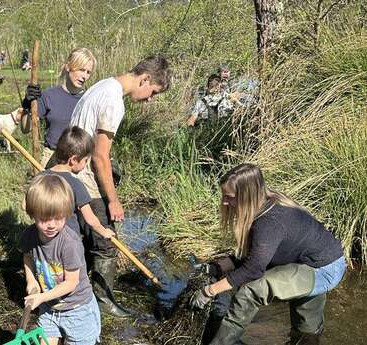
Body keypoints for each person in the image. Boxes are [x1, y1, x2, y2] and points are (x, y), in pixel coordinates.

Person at [190, 163, 346, 345]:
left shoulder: (269, 222)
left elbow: (253, 269)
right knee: (306, 331)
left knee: (250, 291)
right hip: (310, 260)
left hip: (323, 269)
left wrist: (210, 291)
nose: (224, 202)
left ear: (247, 195)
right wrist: (216, 267)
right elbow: (256, 255)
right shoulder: (265, 203)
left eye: (229, 197)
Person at [70, 55, 171, 317]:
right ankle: (103, 301)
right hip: (84, 178)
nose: (151, 99)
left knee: (80, 236)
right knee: (105, 241)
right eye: (153, 92)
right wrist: (113, 200)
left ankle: (78, 290)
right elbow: (100, 156)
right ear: (145, 79)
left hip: (70, 168)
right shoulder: (114, 101)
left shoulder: (103, 85)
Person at [18, 174, 101, 345]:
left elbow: (71, 283)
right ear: (32, 214)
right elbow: (27, 256)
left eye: (58, 218)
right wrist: (31, 280)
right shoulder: (29, 235)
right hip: (49, 309)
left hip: (78, 311)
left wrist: (42, 297)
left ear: (67, 213)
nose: (52, 225)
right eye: (44, 219)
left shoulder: (69, 243)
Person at [23, 48, 97, 168]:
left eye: (88, 72)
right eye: (81, 70)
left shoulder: (90, 99)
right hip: (51, 158)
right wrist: (27, 104)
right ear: (68, 67)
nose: (84, 76)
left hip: (80, 161)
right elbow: (26, 128)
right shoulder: (49, 95)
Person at [39, 125, 115, 240]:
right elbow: (90, 219)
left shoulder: (40, 177)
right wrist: (104, 231)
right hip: (69, 241)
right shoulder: (75, 184)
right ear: (74, 160)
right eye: (85, 160)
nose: (85, 165)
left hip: (44, 239)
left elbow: (24, 205)